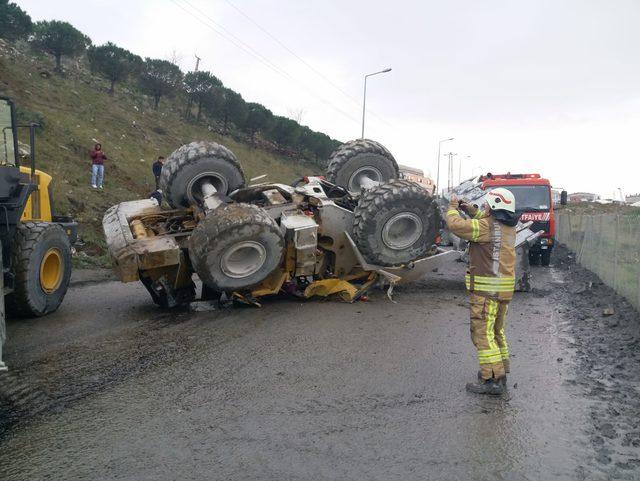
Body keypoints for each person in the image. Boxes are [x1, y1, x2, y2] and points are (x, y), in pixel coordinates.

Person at [445, 188, 518, 395]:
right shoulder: (506, 227)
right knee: (496, 332)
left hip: (487, 293)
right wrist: (470, 209)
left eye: (487, 205)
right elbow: (486, 222)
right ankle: (500, 374)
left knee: (483, 335)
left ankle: (491, 380)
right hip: (502, 291)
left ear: (494, 207)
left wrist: (452, 208)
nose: (484, 207)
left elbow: (456, 226)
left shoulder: (486, 227)